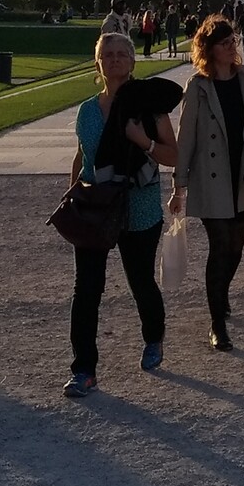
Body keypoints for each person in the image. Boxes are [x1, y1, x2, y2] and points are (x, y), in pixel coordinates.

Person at [64, 33, 180, 398]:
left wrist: (141, 139)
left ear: (131, 61)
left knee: (140, 281)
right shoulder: (87, 111)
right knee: (86, 289)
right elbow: (83, 156)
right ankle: (84, 370)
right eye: (107, 54)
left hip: (138, 206)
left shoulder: (148, 106)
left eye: (120, 54)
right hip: (96, 207)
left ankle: (153, 336)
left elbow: (173, 155)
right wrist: (72, 193)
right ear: (97, 63)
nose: (114, 59)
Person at [170, 15, 244, 351]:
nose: (231, 47)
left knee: (236, 249)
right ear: (208, 49)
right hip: (211, 177)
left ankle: (221, 295)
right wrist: (179, 186)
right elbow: (186, 138)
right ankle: (217, 321)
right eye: (224, 43)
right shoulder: (198, 86)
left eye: (232, 41)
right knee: (219, 248)